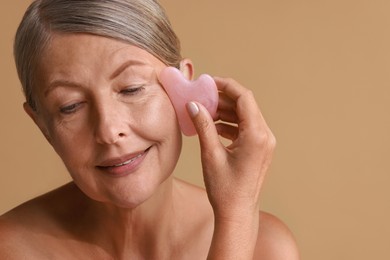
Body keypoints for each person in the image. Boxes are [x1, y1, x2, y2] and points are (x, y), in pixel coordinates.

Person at [0, 0, 299, 259]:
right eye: (70, 106)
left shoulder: (266, 248)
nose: (108, 130)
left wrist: (236, 218)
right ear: (43, 125)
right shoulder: (10, 249)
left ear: (185, 89)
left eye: (131, 89)